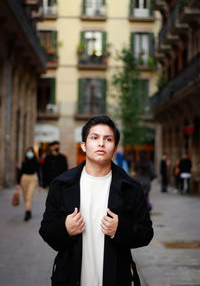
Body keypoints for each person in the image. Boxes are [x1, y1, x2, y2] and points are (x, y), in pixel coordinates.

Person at [39, 115, 153, 286]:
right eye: (94, 138)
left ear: (114, 148)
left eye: (108, 139)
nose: (101, 143)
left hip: (115, 277)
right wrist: (65, 229)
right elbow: (46, 230)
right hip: (70, 278)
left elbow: (146, 233)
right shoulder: (62, 185)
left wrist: (119, 229)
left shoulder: (131, 188)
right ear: (84, 145)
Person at [19, 147, 41, 221]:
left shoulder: (36, 161)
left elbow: (38, 172)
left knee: (29, 196)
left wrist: (40, 184)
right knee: (25, 196)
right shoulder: (24, 161)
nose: (29, 154)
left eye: (31, 152)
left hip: (32, 179)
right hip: (24, 178)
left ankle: (27, 212)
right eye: (28, 152)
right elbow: (20, 172)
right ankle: (28, 209)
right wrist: (17, 184)